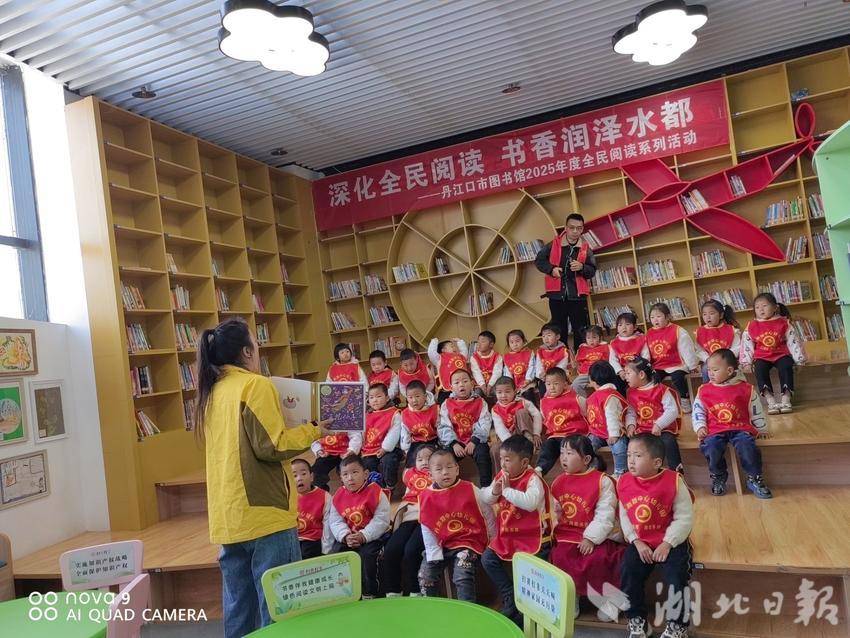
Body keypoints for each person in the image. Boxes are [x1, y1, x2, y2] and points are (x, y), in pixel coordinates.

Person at [196, 318, 322, 637]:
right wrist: (314, 430)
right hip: (266, 512)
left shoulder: (212, 391)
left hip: (229, 515)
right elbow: (272, 445)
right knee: (278, 607)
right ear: (247, 352)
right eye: (255, 342)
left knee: (239, 608)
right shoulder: (255, 385)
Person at [618, 434, 694, 638]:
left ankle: (678, 625)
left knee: (676, 576)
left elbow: (684, 517)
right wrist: (636, 541)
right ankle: (636, 619)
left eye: (637, 455)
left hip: (671, 541)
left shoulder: (673, 481)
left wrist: (667, 543)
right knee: (628, 571)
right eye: (628, 455)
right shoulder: (624, 481)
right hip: (640, 540)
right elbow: (624, 515)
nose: (631, 460)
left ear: (657, 462)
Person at [550, 435, 624, 619]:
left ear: (586, 459)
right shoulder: (558, 481)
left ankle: (611, 599)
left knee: (599, 558)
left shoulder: (602, 481)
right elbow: (553, 511)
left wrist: (590, 538)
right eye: (562, 453)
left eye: (569, 453)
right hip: (567, 535)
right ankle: (570, 597)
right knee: (560, 555)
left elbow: (605, 514)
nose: (564, 458)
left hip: (598, 536)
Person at [481, 435, 552, 625]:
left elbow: (530, 503)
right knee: (487, 559)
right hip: (507, 535)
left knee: (528, 571)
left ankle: (524, 613)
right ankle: (509, 595)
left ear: (524, 462)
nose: (502, 464)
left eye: (508, 460)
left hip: (531, 536)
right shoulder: (502, 476)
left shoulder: (533, 479)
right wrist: (495, 491)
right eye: (501, 459)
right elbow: (486, 498)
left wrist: (506, 491)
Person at [418, 448, 496, 602]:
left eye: (449, 467)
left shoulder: (470, 488)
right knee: (425, 576)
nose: (445, 472)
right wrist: (434, 554)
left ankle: (467, 610)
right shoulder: (426, 497)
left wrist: (493, 539)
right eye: (439, 469)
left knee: (462, 575)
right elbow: (426, 527)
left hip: (467, 542)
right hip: (440, 544)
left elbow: (488, 512)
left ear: (457, 469)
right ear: (430, 475)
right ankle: (431, 608)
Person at [694, 349, 772, 498]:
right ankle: (718, 475)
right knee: (711, 446)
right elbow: (698, 411)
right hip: (715, 429)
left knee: (747, 444)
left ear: (729, 371)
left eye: (715, 370)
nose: (710, 373)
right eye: (709, 370)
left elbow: (756, 410)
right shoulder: (704, 390)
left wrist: (762, 429)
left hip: (740, 428)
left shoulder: (746, 389)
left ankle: (754, 477)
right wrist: (700, 427)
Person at [327, 455, 391, 599]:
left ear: (365, 474)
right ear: (341, 478)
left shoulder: (375, 492)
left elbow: (381, 519)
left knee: (368, 556)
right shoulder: (338, 496)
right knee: (336, 553)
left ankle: (370, 592)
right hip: (349, 537)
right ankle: (343, 592)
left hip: (372, 536)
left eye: (355, 472)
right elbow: (335, 521)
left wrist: (363, 535)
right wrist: (345, 536)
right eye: (345, 474)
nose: (350, 478)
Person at [535, 213, 597, 349]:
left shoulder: (586, 248)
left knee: (580, 330)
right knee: (558, 330)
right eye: (572, 227)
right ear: (566, 228)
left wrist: (582, 267)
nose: (575, 231)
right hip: (556, 296)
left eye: (579, 228)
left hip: (578, 296)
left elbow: (592, 270)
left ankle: (581, 357)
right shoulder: (553, 244)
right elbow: (539, 261)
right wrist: (551, 269)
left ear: (582, 229)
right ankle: (561, 357)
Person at [740, 292, 807, 414]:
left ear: (775, 307)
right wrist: (746, 362)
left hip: (781, 354)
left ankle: (786, 399)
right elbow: (747, 345)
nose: (761, 309)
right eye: (757, 307)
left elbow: (793, 341)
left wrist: (799, 360)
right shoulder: (752, 326)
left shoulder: (784, 323)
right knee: (759, 369)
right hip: (762, 356)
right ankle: (771, 401)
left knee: (786, 366)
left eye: (764, 306)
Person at [382, 445, 435, 597]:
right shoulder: (411, 476)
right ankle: (393, 592)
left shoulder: (439, 475)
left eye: (428, 458)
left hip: (428, 519)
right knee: (391, 549)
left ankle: (415, 591)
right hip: (409, 516)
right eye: (420, 459)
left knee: (411, 550)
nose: (424, 462)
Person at [624, 357, 683, 473]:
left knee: (669, 441)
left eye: (628, 373)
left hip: (663, 429)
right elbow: (631, 412)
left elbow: (672, 411)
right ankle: (636, 473)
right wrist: (630, 425)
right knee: (631, 444)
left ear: (641, 375)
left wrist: (659, 425)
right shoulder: (630, 392)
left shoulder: (661, 390)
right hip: (642, 429)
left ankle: (677, 472)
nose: (625, 377)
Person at [438, 368, 494, 486]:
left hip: (476, 440)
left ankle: (486, 487)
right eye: (456, 382)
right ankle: (450, 487)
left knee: (483, 454)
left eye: (465, 381)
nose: (461, 385)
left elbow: (485, 422)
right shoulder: (447, 404)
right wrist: (453, 443)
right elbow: (443, 426)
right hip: (455, 442)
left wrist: (474, 441)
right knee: (445, 458)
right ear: (451, 387)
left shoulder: (480, 402)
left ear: (472, 383)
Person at [645, 303, 699, 414]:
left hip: (676, 365)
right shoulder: (649, 333)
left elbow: (687, 349)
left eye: (659, 316)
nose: (655, 320)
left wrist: (692, 366)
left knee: (677, 377)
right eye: (652, 317)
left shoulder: (678, 330)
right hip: (659, 366)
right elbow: (646, 352)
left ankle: (684, 398)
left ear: (668, 317)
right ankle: (658, 403)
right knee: (653, 379)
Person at [536, 367, 589, 477]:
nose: (552, 387)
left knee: (569, 447)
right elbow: (543, 419)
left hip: (573, 435)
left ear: (565, 384)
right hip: (555, 435)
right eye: (548, 384)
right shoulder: (543, 402)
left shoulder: (576, 398)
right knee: (548, 446)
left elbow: (588, 413)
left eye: (556, 384)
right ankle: (540, 470)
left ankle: (575, 473)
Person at [585, 361, 629, 477]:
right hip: (597, 432)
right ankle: (592, 470)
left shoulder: (610, 396)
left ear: (592, 380)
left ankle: (620, 472)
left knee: (619, 448)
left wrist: (614, 435)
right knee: (587, 446)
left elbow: (612, 416)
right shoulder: (594, 396)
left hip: (615, 433)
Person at [361, 383, 403, 490]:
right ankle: (377, 487)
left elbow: (394, 433)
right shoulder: (367, 415)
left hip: (390, 449)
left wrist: (385, 448)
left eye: (378, 396)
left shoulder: (394, 414)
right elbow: (362, 433)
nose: (375, 400)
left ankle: (389, 486)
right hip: (370, 450)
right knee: (368, 463)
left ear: (387, 398)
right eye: (371, 397)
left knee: (388, 461)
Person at [293, 459, 333, 559]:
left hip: (312, 540)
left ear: (311, 477)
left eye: (303, 474)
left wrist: (326, 550)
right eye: (294, 476)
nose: (299, 479)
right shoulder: (287, 497)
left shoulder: (325, 497)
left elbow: (327, 525)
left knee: (306, 554)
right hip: (292, 540)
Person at [694, 300, 740, 383]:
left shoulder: (731, 330)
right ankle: (709, 388)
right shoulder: (700, 332)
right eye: (704, 314)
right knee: (705, 369)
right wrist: (708, 359)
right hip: (709, 362)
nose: (708, 317)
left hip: (727, 360)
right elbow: (699, 350)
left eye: (711, 313)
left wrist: (725, 358)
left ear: (721, 315)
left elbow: (737, 347)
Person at [491, 376, 542, 449]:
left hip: (526, 433)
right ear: (495, 393)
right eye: (499, 392)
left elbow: (537, 415)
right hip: (509, 436)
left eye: (507, 392)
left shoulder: (523, 402)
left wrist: (536, 433)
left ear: (515, 391)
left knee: (521, 412)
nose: (503, 395)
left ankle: (530, 442)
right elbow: (500, 428)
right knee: (494, 449)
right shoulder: (495, 409)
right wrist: (510, 443)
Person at [399, 380, 439, 467]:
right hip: (416, 442)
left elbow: (440, 429)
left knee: (436, 461)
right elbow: (405, 433)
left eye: (417, 396)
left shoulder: (435, 410)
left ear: (425, 396)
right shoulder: (405, 414)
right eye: (410, 397)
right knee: (411, 462)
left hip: (433, 440)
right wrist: (406, 449)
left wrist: (443, 444)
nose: (414, 400)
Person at [310, 426, 363, 493]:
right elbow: (314, 440)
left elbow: (355, 435)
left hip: (346, 452)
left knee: (347, 469)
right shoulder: (318, 423)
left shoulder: (347, 421)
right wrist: (318, 450)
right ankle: (321, 493)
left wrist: (352, 449)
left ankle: (351, 491)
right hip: (327, 452)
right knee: (316, 470)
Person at [608, 311, 647, 393]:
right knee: (616, 383)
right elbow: (613, 360)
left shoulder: (641, 339)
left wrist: (636, 370)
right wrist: (620, 371)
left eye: (627, 324)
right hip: (622, 372)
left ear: (635, 326)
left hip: (637, 370)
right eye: (620, 325)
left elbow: (646, 357)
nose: (624, 327)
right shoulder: (614, 343)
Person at [428, 337, 469, 404]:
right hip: (447, 391)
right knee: (444, 404)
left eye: (454, 346)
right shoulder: (439, 358)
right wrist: (434, 341)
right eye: (451, 346)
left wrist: (460, 341)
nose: (454, 348)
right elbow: (431, 353)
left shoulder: (461, 356)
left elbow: (465, 351)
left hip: (462, 388)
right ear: (443, 350)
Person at [534, 322, 572, 396]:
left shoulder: (563, 351)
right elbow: (538, 366)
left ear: (557, 337)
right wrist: (540, 374)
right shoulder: (540, 351)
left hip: (559, 377)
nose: (546, 338)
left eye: (549, 335)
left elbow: (561, 367)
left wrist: (549, 376)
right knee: (543, 389)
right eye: (543, 336)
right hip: (545, 378)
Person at [572, 325, 609, 397]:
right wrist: (576, 366)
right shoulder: (582, 348)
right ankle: (585, 400)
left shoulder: (605, 347)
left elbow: (607, 362)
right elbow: (578, 363)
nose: (591, 340)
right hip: (585, 374)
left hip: (599, 374)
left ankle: (602, 399)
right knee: (575, 384)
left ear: (600, 338)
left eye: (594, 337)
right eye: (588, 338)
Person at [502, 329, 538, 403]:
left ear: (524, 341)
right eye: (511, 342)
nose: (515, 344)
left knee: (528, 393)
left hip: (528, 382)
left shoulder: (529, 353)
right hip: (514, 384)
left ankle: (533, 408)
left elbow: (532, 367)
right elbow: (507, 373)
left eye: (517, 341)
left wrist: (528, 380)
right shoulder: (507, 357)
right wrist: (510, 384)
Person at [470, 330, 504, 400]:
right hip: (479, 385)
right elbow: (476, 372)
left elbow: (497, 372)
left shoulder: (497, 357)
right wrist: (482, 385)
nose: (479, 344)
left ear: (491, 344)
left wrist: (490, 385)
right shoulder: (474, 357)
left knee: (498, 393)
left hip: (493, 384)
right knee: (477, 394)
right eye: (478, 342)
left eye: (482, 342)